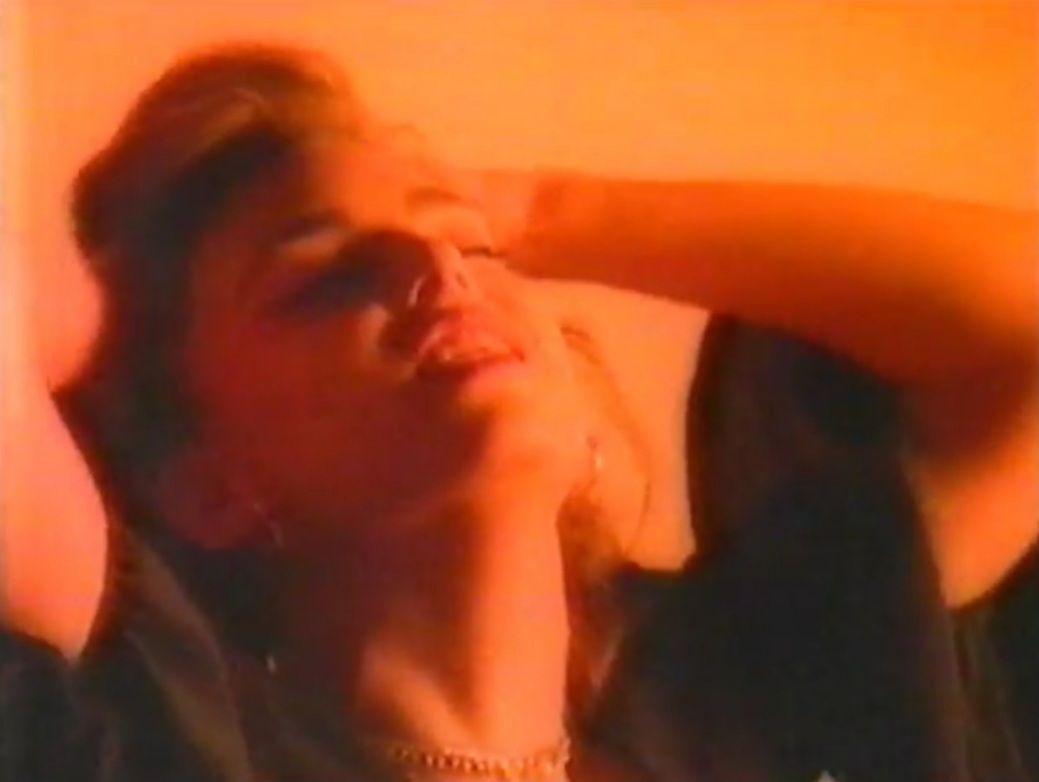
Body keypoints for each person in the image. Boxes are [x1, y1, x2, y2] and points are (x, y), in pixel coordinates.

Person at [1, 43, 1035, 782]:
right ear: (208, 486)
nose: (436, 267)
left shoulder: (738, 683)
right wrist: (114, 318)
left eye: (471, 246)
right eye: (325, 276)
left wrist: (537, 206)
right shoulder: (173, 728)